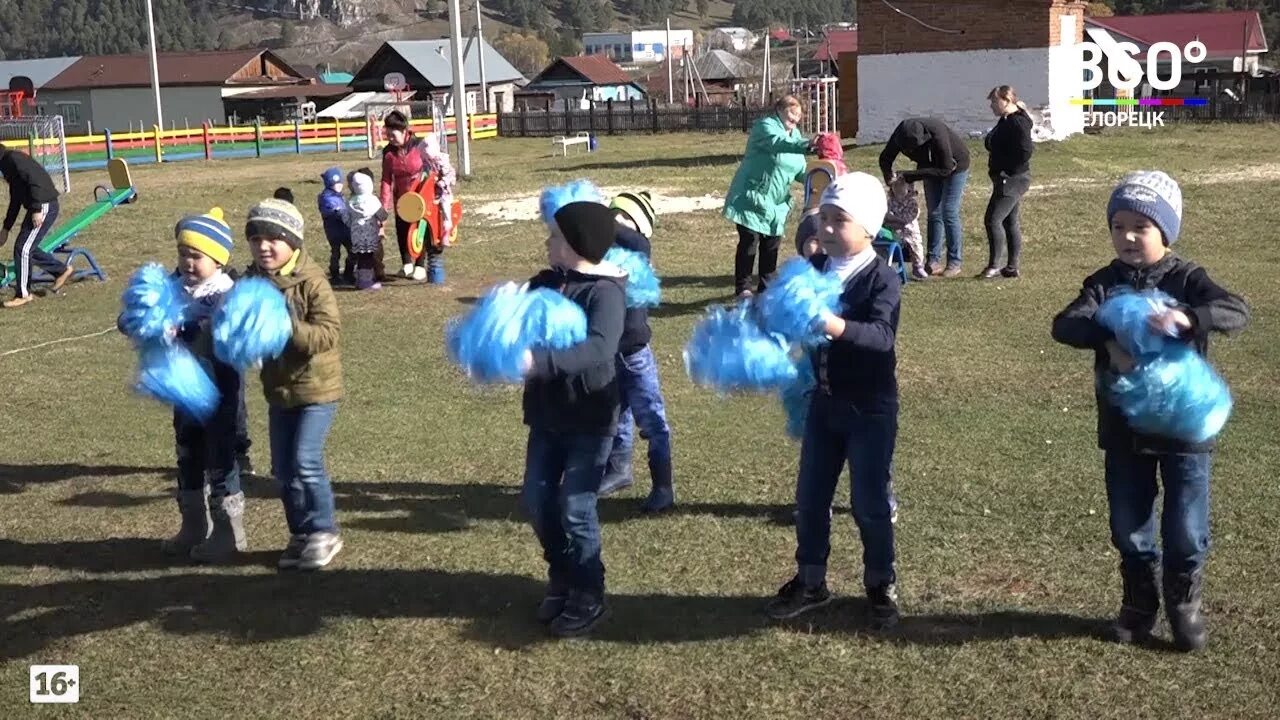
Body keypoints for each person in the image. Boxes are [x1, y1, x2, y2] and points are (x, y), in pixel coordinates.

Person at [1051, 171, 1249, 652]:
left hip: (1184, 433)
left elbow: (1236, 310)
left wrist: (1189, 319)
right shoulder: (1104, 284)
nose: (1128, 237)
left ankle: (1184, 606)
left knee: (1186, 529)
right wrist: (1109, 334)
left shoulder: (1187, 278)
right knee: (1130, 527)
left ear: (1166, 231)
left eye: (1141, 226)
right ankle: (1139, 605)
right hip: (1125, 430)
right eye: (1119, 226)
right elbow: (1066, 325)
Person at [766, 172, 901, 630]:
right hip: (822, 405)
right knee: (810, 497)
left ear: (867, 227)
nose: (824, 228)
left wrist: (831, 324)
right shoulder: (816, 269)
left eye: (837, 220)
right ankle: (811, 581)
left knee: (869, 503)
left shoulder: (881, 278)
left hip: (870, 409)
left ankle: (881, 584)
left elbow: (882, 337)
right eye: (822, 217)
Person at [520, 183, 627, 637]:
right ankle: (562, 574)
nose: (547, 244)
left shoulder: (606, 295)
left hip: (590, 417)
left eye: (554, 237)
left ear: (576, 246)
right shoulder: (544, 282)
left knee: (576, 507)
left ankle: (590, 591)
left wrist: (538, 362)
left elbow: (600, 349)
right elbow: (519, 320)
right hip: (547, 416)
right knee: (538, 501)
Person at [118, 207, 249, 562]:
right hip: (183, 393)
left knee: (220, 459)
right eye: (183, 254)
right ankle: (194, 525)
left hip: (220, 393)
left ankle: (229, 533)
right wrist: (135, 318)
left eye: (197, 256)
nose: (188, 262)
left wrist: (192, 328)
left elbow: (221, 331)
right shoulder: (174, 289)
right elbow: (137, 313)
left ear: (218, 260)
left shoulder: (225, 293)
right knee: (187, 453)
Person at [243, 198, 345, 571]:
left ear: (293, 242)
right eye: (255, 239)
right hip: (278, 388)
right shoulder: (252, 280)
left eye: (273, 238)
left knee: (306, 460)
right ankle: (301, 532)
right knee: (283, 468)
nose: (263, 247)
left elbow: (328, 333)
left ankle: (324, 531)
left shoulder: (312, 281)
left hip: (317, 389)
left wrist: (287, 328)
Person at [599, 191, 675, 514]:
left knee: (652, 422)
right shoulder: (602, 260)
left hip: (635, 356)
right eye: (611, 216)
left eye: (623, 220)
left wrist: (603, 221)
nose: (615, 224)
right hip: (609, 356)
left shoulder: (640, 255)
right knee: (616, 416)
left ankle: (663, 486)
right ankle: (619, 470)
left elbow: (640, 243)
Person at [723, 95, 813, 299]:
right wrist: (807, 145)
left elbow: (799, 169)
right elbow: (777, 143)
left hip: (776, 203)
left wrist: (818, 178)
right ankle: (743, 288)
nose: (796, 118)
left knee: (771, 245)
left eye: (798, 114)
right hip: (752, 196)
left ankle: (766, 290)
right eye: (792, 112)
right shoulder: (765, 127)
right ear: (780, 110)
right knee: (750, 241)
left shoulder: (795, 135)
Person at [879, 117, 971, 278]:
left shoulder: (937, 133)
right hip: (928, 166)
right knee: (934, 212)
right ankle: (933, 261)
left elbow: (945, 169)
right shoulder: (900, 133)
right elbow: (885, 158)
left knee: (948, 211)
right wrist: (889, 179)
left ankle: (954, 262)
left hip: (954, 166)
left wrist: (909, 175)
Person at [379, 111, 454, 284]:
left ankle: (420, 264)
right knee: (403, 229)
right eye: (387, 134)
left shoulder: (419, 146)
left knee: (420, 229)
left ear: (405, 131)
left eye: (393, 134)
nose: (390, 138)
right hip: (401, 198)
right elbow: (386, 180)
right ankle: (406, 263)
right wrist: (384, 207)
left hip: (421, 197)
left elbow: (432, 167)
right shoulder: (388, 153)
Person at [0, 143, 74, 308]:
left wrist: (37, 208)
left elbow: (36, 179)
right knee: (26, 247)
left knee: (23, 248)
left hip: (44, 205)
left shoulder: (13, 159)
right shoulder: (8, 165)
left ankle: (24, 294)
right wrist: (6, 228)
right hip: (40, 205)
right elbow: (16, 199)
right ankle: (60, 270)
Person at [980, 86, 1035, 279]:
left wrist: (1007, 170)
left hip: (1012, 179)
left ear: (1007, 100)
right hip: (1006, 178)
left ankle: (994, 266)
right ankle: (1012, 267)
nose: (992, 106)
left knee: (992, 220)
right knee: (1010, 221)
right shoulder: (1005, 120)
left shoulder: (1017, 122)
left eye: (994, 102)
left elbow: (1025, 151)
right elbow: (992, 142)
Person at [346, 168, 388, 291]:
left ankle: (360, 279)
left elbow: (346, 217)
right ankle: (366, 282)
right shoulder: (372, 201)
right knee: (368, 258)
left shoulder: (352, 201)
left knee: (360, 257)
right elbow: (382, 215)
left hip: (355, 235)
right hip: (369, 234)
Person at [884, 177, 928, 280]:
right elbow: (886, 215)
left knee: (916, 246)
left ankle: (917, 266)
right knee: (884, 245)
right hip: (894, 231)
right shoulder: (890, 202)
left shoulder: (912, 203)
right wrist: (890, 220)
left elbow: (911, 216)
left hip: (910, 231)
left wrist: (897, 220)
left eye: (902, 187)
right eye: (896, 187)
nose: (899, 190)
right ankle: (884, 266)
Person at [316, 168, 354, 285]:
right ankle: (335, 274)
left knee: (352, 251)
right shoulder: (326, 198)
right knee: (336, 252)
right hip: (334, 231)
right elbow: (334, 212)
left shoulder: (339, 196)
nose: (339, 186)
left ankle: (349, 272)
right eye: (335, 184)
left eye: (340, 183)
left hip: (345, 230)